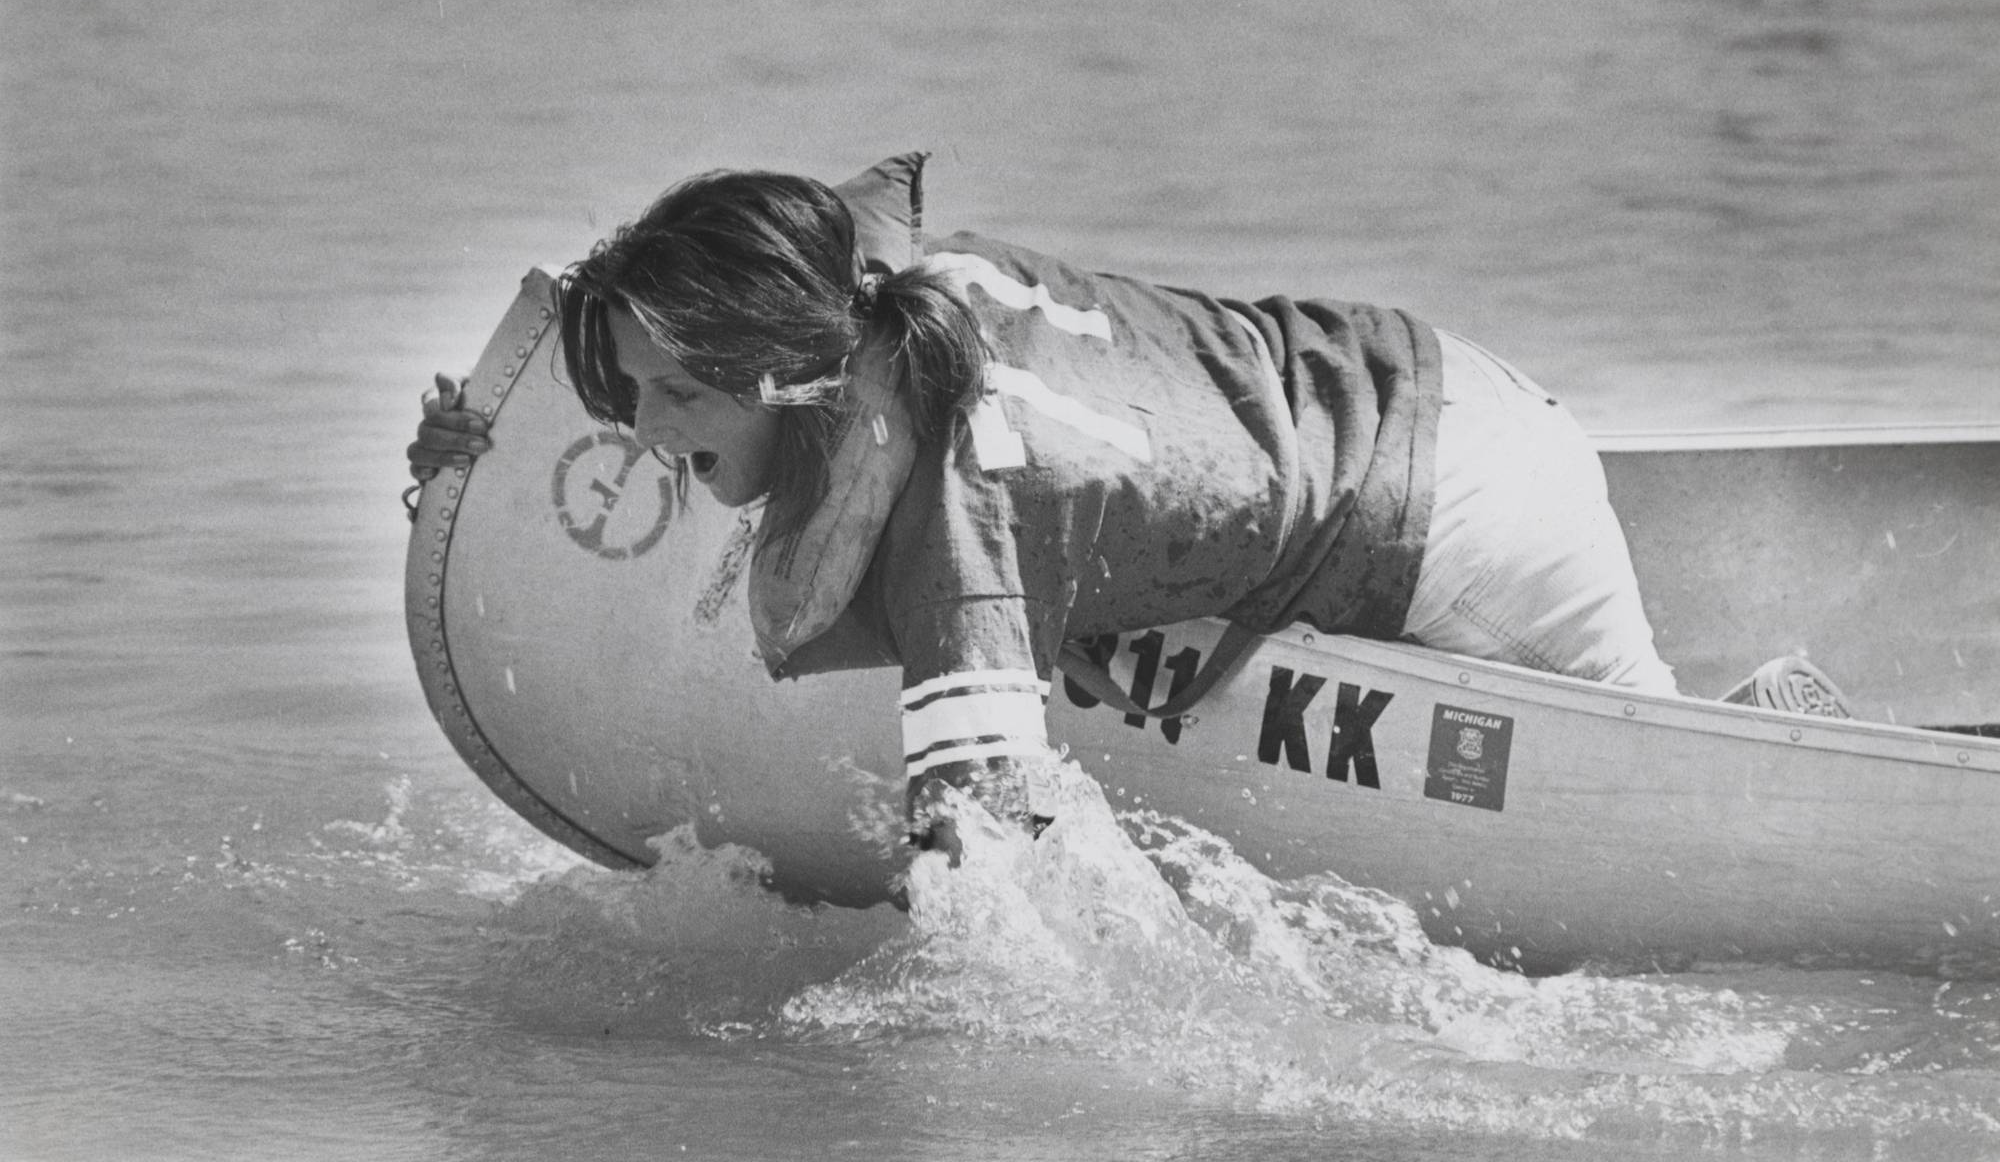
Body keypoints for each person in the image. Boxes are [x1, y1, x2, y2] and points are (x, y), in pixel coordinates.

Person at [409, 156, 1687, 849]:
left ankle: (1735, 721)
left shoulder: (954, 489)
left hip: (1455, 509)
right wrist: (493, 457)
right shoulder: (870, 291)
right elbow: (710, 435)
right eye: (627, 397)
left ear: (790, 374)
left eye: (671, 395)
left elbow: (987, 840)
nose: (643, 432)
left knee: (1658, 804)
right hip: (1405, 377)